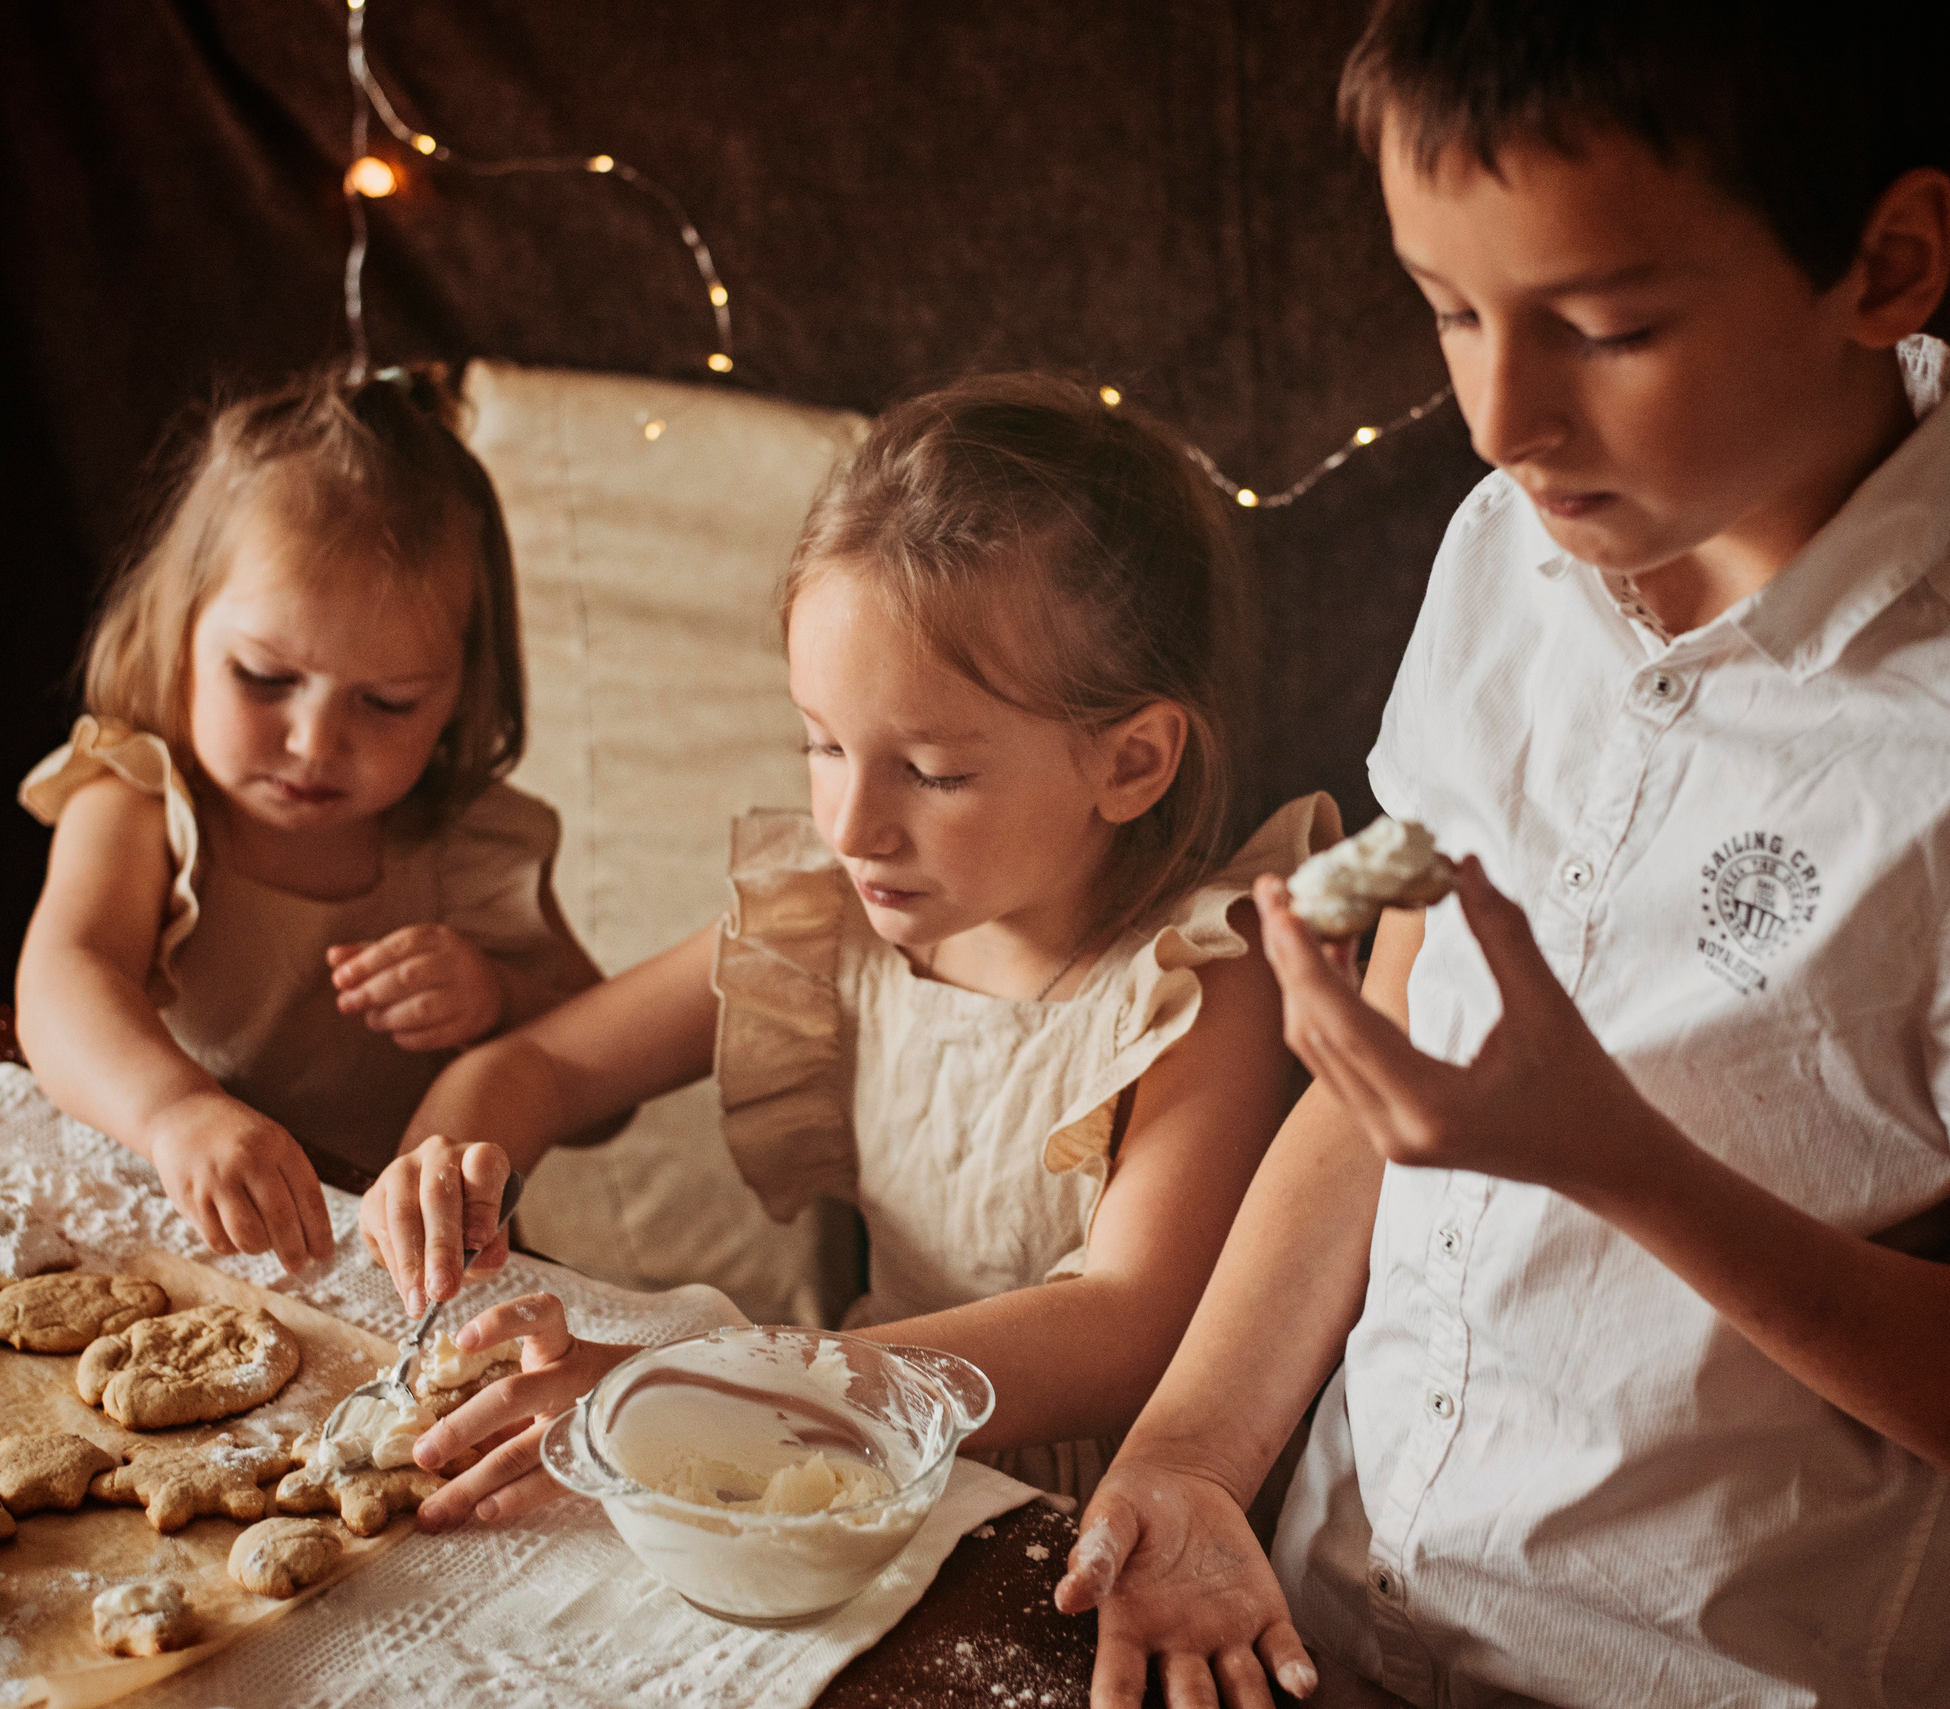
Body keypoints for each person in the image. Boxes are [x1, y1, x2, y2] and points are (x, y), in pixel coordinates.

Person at [1052, 3, 1950, 1706]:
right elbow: (1366, 1101)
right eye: (1452, 310)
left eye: (1604, 327)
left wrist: (1616, 1155)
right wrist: (1190, 1452)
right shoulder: (1507, 554)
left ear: (1885, 263)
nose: (1498, 415)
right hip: (1329, 1621)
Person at [362, 373, 1332, 1517]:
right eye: (821, 745)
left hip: (1090, 1531)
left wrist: (694, 1385)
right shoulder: (830, 920)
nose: (850, 825)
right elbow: (540, 1065)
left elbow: (1126, 1323)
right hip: (845, 1471)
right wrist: (448, 1175)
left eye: (930, 772)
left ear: (1129, 763)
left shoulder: (1201, 980)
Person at [15, 365, 598, 1274]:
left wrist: (500, 999)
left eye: (388, 702)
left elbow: (607, 1088)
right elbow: (61, 981)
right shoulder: (141, 803)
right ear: (181, 634)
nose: (315, 741)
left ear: (459, 694)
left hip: (414, 1275)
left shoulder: (476, 848)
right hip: (177, 1245)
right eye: (266, 678)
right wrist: (177, 1111)